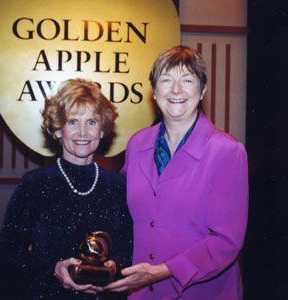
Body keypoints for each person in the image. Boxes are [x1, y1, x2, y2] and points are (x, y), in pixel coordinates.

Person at [104, 46, 249, 299]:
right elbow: (121, 215)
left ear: (202, 90)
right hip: (142, 292)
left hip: (203, 292)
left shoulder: (227, 151)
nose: (176, 90)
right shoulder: (137, 144)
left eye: (188, 80)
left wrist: (162, 271)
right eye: (166, 80)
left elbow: (226, 241)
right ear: (154, 90)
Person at [0, 78, 133, 300]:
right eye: (72, 122)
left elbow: (129, 247)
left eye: (91, 122)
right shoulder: (35, 184)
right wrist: (54, 268)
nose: (82, 132)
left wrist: (115, 265)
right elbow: (8, 250)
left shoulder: (118, 186)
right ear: (58, 130)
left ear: (102, 130)